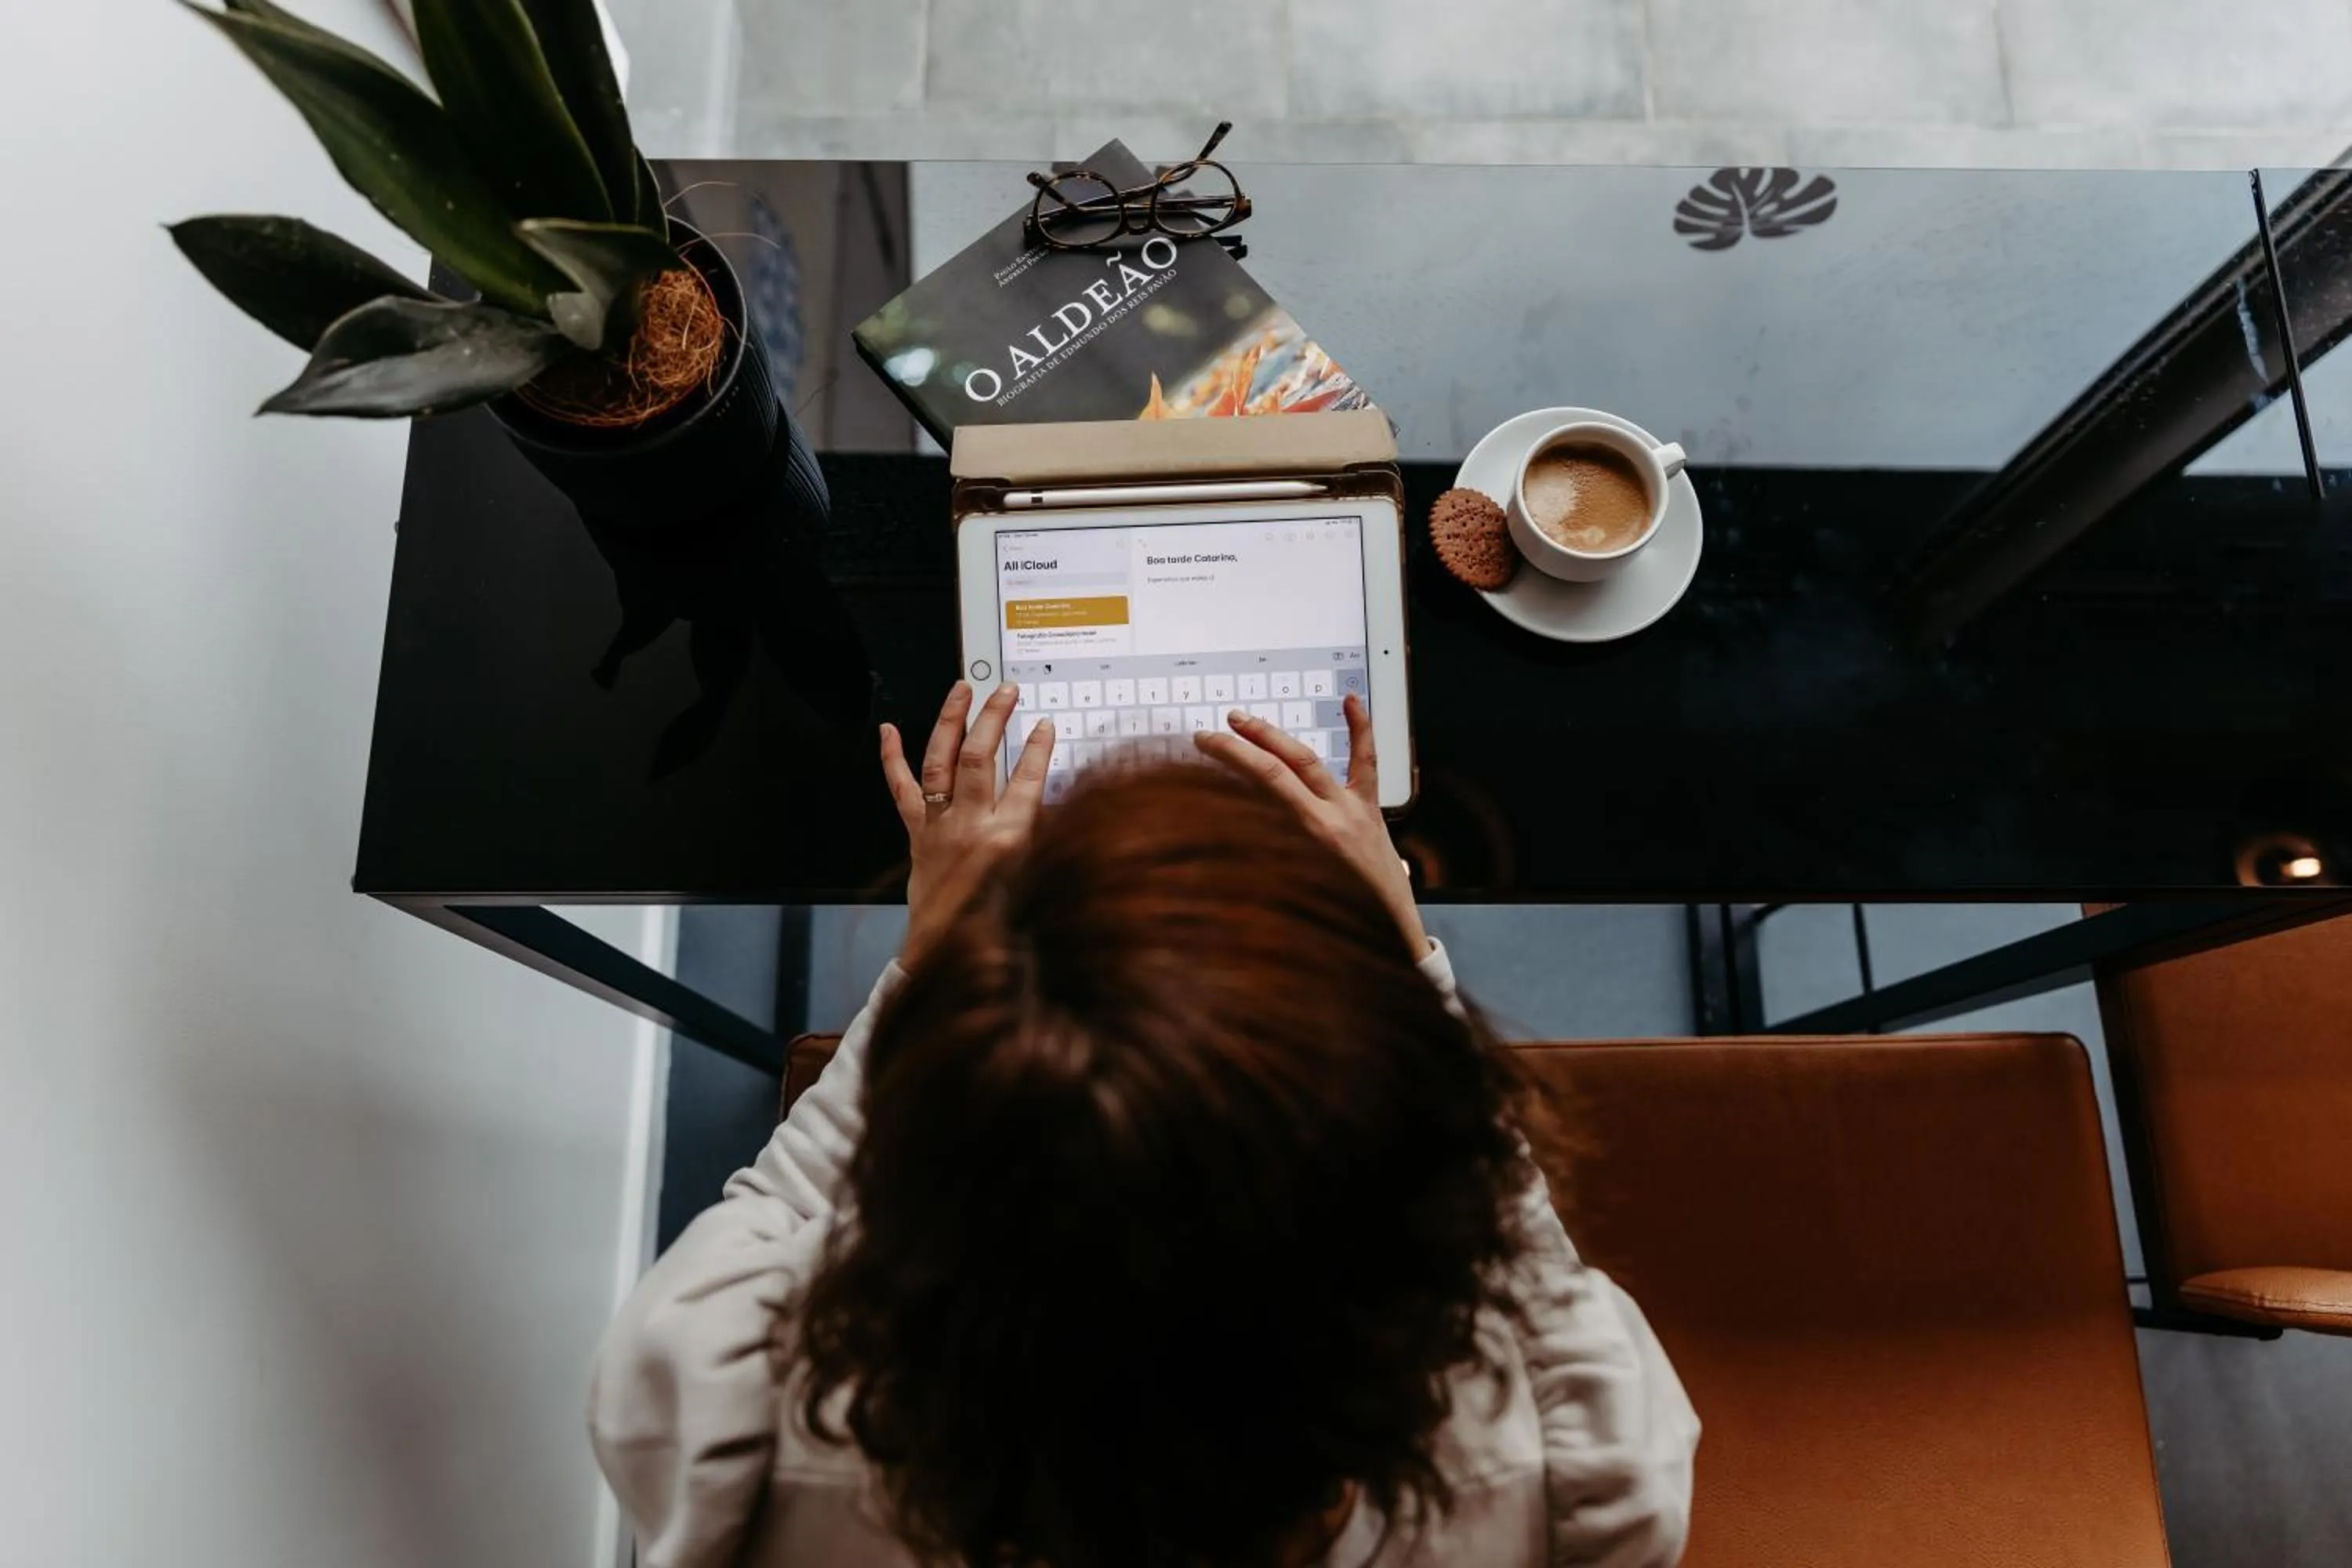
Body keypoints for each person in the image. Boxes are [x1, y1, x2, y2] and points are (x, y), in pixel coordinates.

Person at [590, 684, 1698, 1568]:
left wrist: (937, 953)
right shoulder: (1579, 1476)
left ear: (917, 1219)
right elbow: (1520, 1254)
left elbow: (784, 1209)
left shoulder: (724, 1425)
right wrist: (1402, 947)